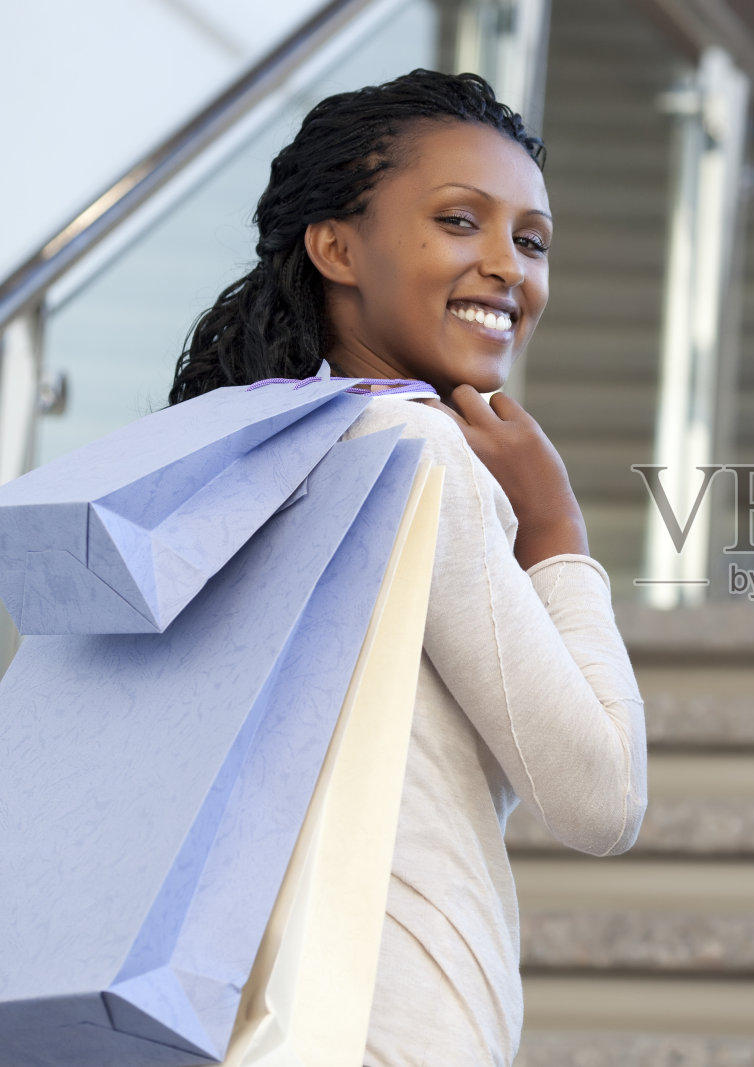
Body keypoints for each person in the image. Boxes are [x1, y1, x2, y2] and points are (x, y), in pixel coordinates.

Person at [169, 70, 646, 1065]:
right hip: (385, 1021)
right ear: (336, 246)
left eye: (531, 239)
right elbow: (600, 795)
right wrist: (555, 525)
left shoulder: (246, 445)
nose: (507, 267)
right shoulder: (414, 451)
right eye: (459, 220)